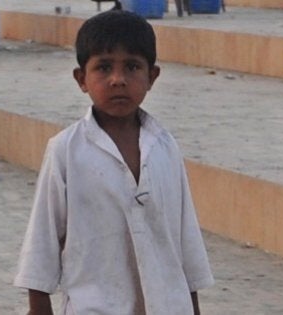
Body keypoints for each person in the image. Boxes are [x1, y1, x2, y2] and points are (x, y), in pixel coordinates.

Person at [14, 10, 214, 315]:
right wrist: (39, 305)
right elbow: (44, 233)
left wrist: (192, 305)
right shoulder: (66, 150)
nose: (118, 80)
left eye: (132, 67)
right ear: (81, 79)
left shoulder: (165, 147)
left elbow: (185, 237)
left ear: (152, 77)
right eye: (103, 68)